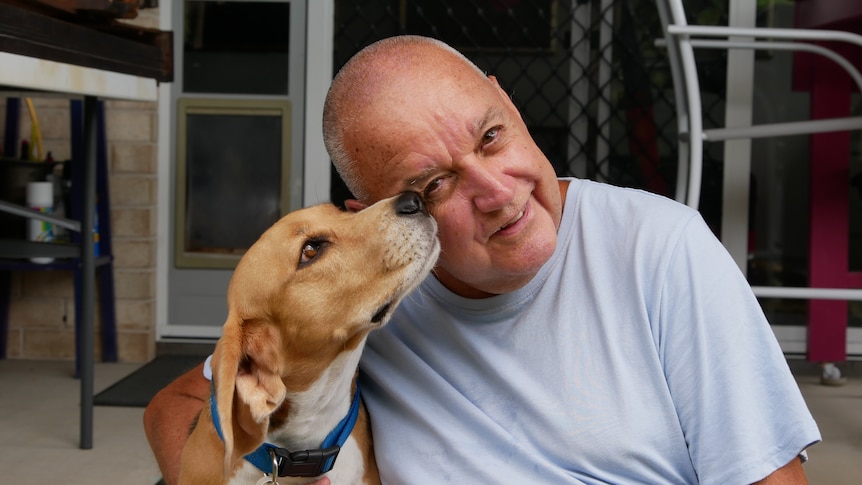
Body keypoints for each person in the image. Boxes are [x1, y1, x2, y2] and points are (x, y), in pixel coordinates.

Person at [145, 35, 820, 484]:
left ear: (508, 100)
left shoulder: (661, 249)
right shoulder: (366, 299)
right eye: (434, 186)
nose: (499, 193)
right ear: (375, 219)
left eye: (491, 136)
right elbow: (177, 405)